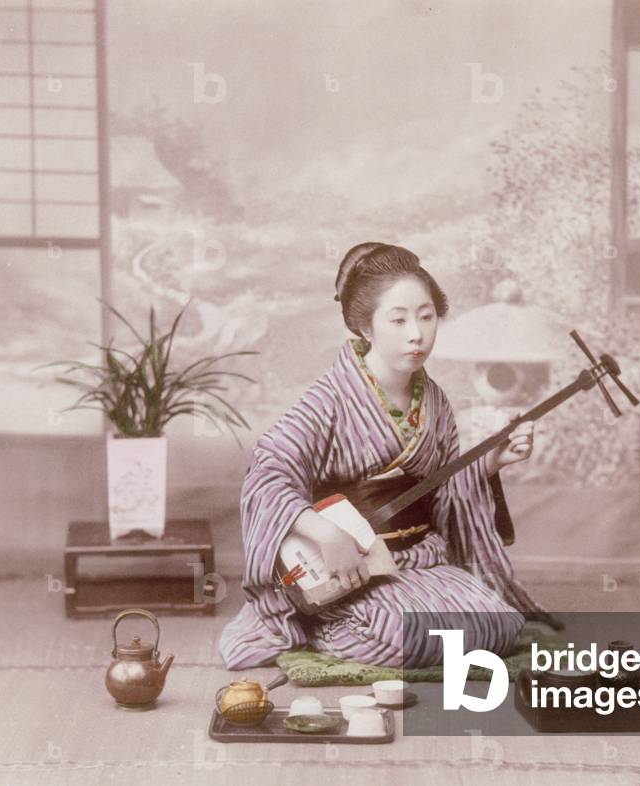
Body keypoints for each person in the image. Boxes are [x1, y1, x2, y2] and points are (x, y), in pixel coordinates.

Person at [219, 242, 558, 670]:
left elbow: (442, 495)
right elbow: (268, 475)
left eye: (427, 316)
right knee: (404, 634)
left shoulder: (433, 400)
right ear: (365, 328)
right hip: (351, 568)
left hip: (418, 560)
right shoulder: (328, 400)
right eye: (397, 320)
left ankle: (406, 612)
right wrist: (326, 534)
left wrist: (491, 463)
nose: (416, 333)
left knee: (500, 624)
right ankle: (324, 625)